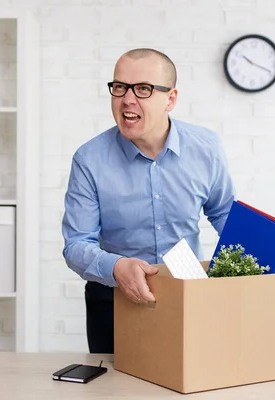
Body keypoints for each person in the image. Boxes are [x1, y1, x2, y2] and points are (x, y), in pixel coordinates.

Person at [61, 48, 236, 354]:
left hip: (188, 294)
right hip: (113, 298)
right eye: (120, 87)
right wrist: (116, 267)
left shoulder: (206, 147)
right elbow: (76, 244)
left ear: (170, 99)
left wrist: (254, 264)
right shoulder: (89, 160)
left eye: (143, 89)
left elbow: (224, 214)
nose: (128, 99)